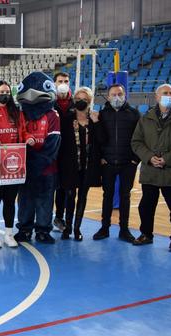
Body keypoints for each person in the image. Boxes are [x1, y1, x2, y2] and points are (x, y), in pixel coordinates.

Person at [131, 84, 171, 252]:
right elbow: (136, 142)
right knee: (146, 206)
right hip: (150, 171)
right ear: (156, 97)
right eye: (165, 93)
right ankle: (146, 234)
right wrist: (149, 157)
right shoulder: (145, 118)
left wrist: (166, 159)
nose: (169, 95)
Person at [0, 81, 34, 248]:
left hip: (14, 165)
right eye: (2, 91)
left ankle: (9, 234)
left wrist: (28, 138)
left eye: (7, 92)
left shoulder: (16, 112)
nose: (5, 94)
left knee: (10, 200)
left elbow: (23, 131)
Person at [15, 72, 61, 244]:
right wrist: (25, 162)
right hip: (24, 167)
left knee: (45, 199)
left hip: (46, 168)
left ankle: (43, 230)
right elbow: (18, 138)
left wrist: (37, 163)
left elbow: (53, 143)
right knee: (25, 199)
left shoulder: (52, 115)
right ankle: (25, 229)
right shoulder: (21, 114)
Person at [91, 84, 141, 242]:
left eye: (119, 94)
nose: (116, 97)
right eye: (113, 94)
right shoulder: (103, 114)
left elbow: (140, 138)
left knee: (125, 196)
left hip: (128, 163)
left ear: (125, 94)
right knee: (108, 196)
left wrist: (135, 160)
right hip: (108, 163)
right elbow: (97, 140)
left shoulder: (134, 114)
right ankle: (104, 228)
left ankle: (124, 230)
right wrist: (101, 158)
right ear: (108, 96)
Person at [58, 87, 102, 241]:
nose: (80, 102)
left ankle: (77, 229)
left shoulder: (95, 119)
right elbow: (61, 144)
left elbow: (102, 141)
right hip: (70, 166)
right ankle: (67, 227)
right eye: (77, 99)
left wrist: (96, 123)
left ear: (89, 101)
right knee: (70, 196)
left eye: (84, 99)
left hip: (88, 166)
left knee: (83, 197)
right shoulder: (67, 119)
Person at [52, 72, 74, 232]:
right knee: (55, 187)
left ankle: (67, 220)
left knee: (69, 188)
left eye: (66, 81)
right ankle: (55, 217)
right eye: (60, 81)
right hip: (53, 151)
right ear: (54, 84)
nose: (63, 83)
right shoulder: (50, 103)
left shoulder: (76, 103)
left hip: (71, 152)